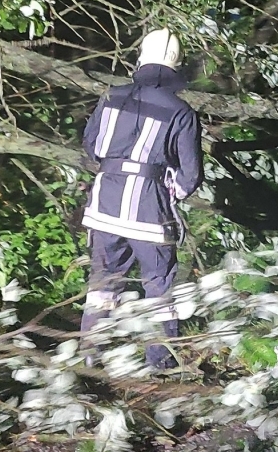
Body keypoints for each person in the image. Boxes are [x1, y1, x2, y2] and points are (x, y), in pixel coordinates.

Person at [79, 28, 203, 370]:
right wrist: (169, 190)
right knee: (159, 284)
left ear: (141, 59)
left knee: (103, 283)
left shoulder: (110, 96)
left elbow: (91, 147)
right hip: (150, 209)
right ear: (177, 65)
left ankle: (90, 359)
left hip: (103, 203)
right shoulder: (182, 112)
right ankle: (159, 364)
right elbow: (190, 176)